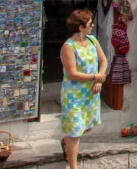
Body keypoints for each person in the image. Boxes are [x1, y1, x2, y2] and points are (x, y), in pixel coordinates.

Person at [60, 9, 109, 169]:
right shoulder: (69, 47)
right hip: (74, 95)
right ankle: (73, 166)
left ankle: (66, 141)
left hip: (90, 93)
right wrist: (96, 77)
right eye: (89, 24)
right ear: (80, 27)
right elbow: (72, 73)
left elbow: (103, 61)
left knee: (86, 126)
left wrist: (99, 79)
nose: (92, 26)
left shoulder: (93, 40)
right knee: (75, 132)